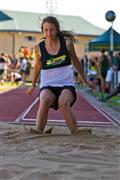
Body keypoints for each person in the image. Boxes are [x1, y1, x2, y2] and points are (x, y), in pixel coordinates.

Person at [26, 16, 93, 134]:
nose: (48, 33)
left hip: (66, 85)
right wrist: (33, 84)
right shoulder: (38, 48)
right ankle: (38, 129)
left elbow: (76, 61)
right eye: (45, 30)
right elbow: (37, 66)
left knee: (63, 102)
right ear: (43, 30)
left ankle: (75, 130)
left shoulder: (67, 43)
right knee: (45, 99)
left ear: (57, 29)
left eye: (51, 29)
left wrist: (84, 79)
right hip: (48, 86)